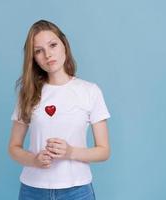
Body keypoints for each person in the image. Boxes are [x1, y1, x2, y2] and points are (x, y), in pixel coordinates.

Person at [8, 19, 111, 200]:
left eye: (53, 45)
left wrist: (71, 152)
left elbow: (104, 151)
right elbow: (13, 148)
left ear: (64, 45)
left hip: (77, 190)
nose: (48, 55)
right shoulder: (28, 93)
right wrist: (34, 160)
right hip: (33, 190)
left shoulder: (90, 91)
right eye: (38, 51)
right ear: (33, 58)